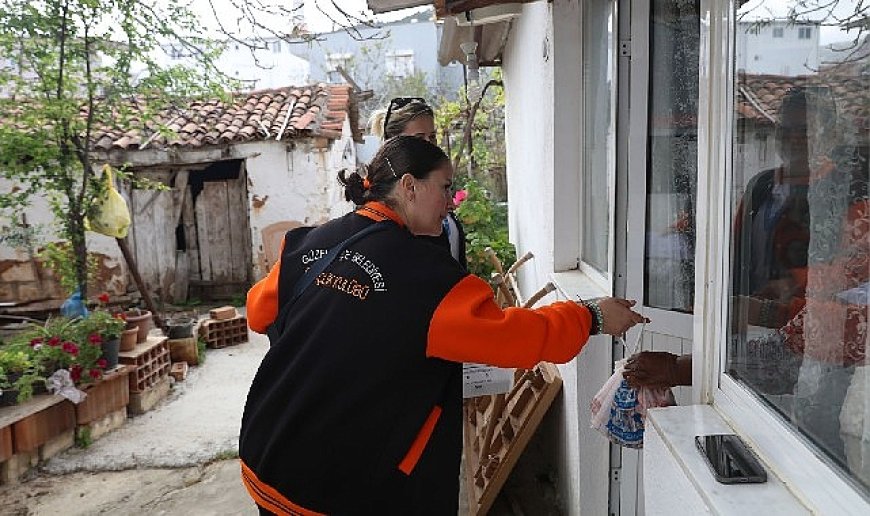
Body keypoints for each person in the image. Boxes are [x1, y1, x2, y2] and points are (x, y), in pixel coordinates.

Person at [240, 135, 648, 514]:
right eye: (444, 186)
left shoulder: (309, 242)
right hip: (336, 487)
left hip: (267, 455)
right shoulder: (427, 279)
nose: (450, 201)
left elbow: (259, 312)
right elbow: (514, 339)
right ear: (409, 186)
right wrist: (591, 315)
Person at [624, 87, 868, 475]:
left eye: (805, 130)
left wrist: (772, 305)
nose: (792, 139)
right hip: (745, 350)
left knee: (810, 462)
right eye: (785, 129)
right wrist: (713, 307)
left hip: (819, 369)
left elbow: (845, 307)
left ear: (830, 133)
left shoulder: (851, 197)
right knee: (751, 445)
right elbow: (732, 260)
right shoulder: (761, 187)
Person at [370, 96, 467, 269]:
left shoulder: (437, 188)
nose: (429, 145)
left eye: (432, 137)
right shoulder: (385, 210)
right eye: (419, 138)